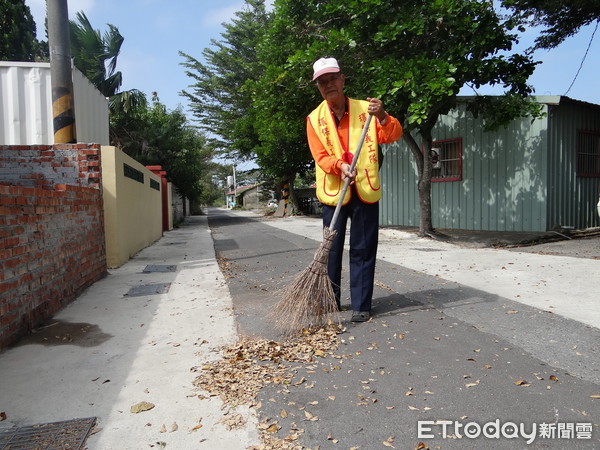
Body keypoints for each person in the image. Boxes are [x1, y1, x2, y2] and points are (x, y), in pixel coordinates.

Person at [306, 57, 403, 322]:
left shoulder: (367, 110)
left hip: (364, 190)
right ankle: (331, 299)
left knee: (363, 247)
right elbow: (320, 156)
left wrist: (382, 115)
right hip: (334, 193)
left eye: (332, 79)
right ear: (318, 87)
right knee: (332, 248)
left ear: (342, 79)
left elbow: (392, 134)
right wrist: (339, 166)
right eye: (322, 82)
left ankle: (361, 305)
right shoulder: (315, 119)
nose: (328, 85)